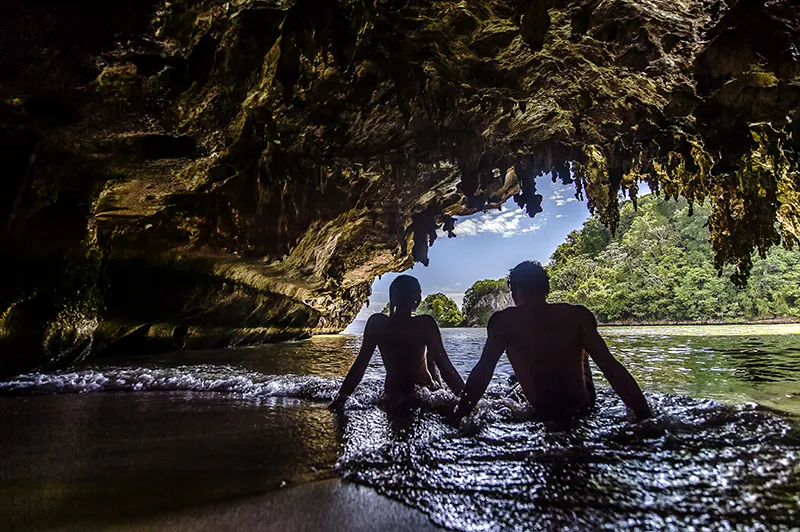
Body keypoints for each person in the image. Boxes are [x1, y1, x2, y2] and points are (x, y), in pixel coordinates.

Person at [455, 261, 652, 421]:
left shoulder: (503, 322)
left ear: (516, 291)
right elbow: (611, 368)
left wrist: (459, 415)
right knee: (583, 350)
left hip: (540, 409)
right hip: (581, 407)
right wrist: (645, 416)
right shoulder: (577, 316)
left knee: (513, 384)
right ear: (545, 289)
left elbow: (483, 371)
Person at [329, 275, 465, 410]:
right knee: (431, 356)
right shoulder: (424, 324)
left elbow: (360, 366)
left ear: (392, 299)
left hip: (391, 394)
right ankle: (439, 386)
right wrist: (466, 399)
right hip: (424, 392)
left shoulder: (377, 324)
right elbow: (445, 366)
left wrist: (341, 399)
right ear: (416, 300)